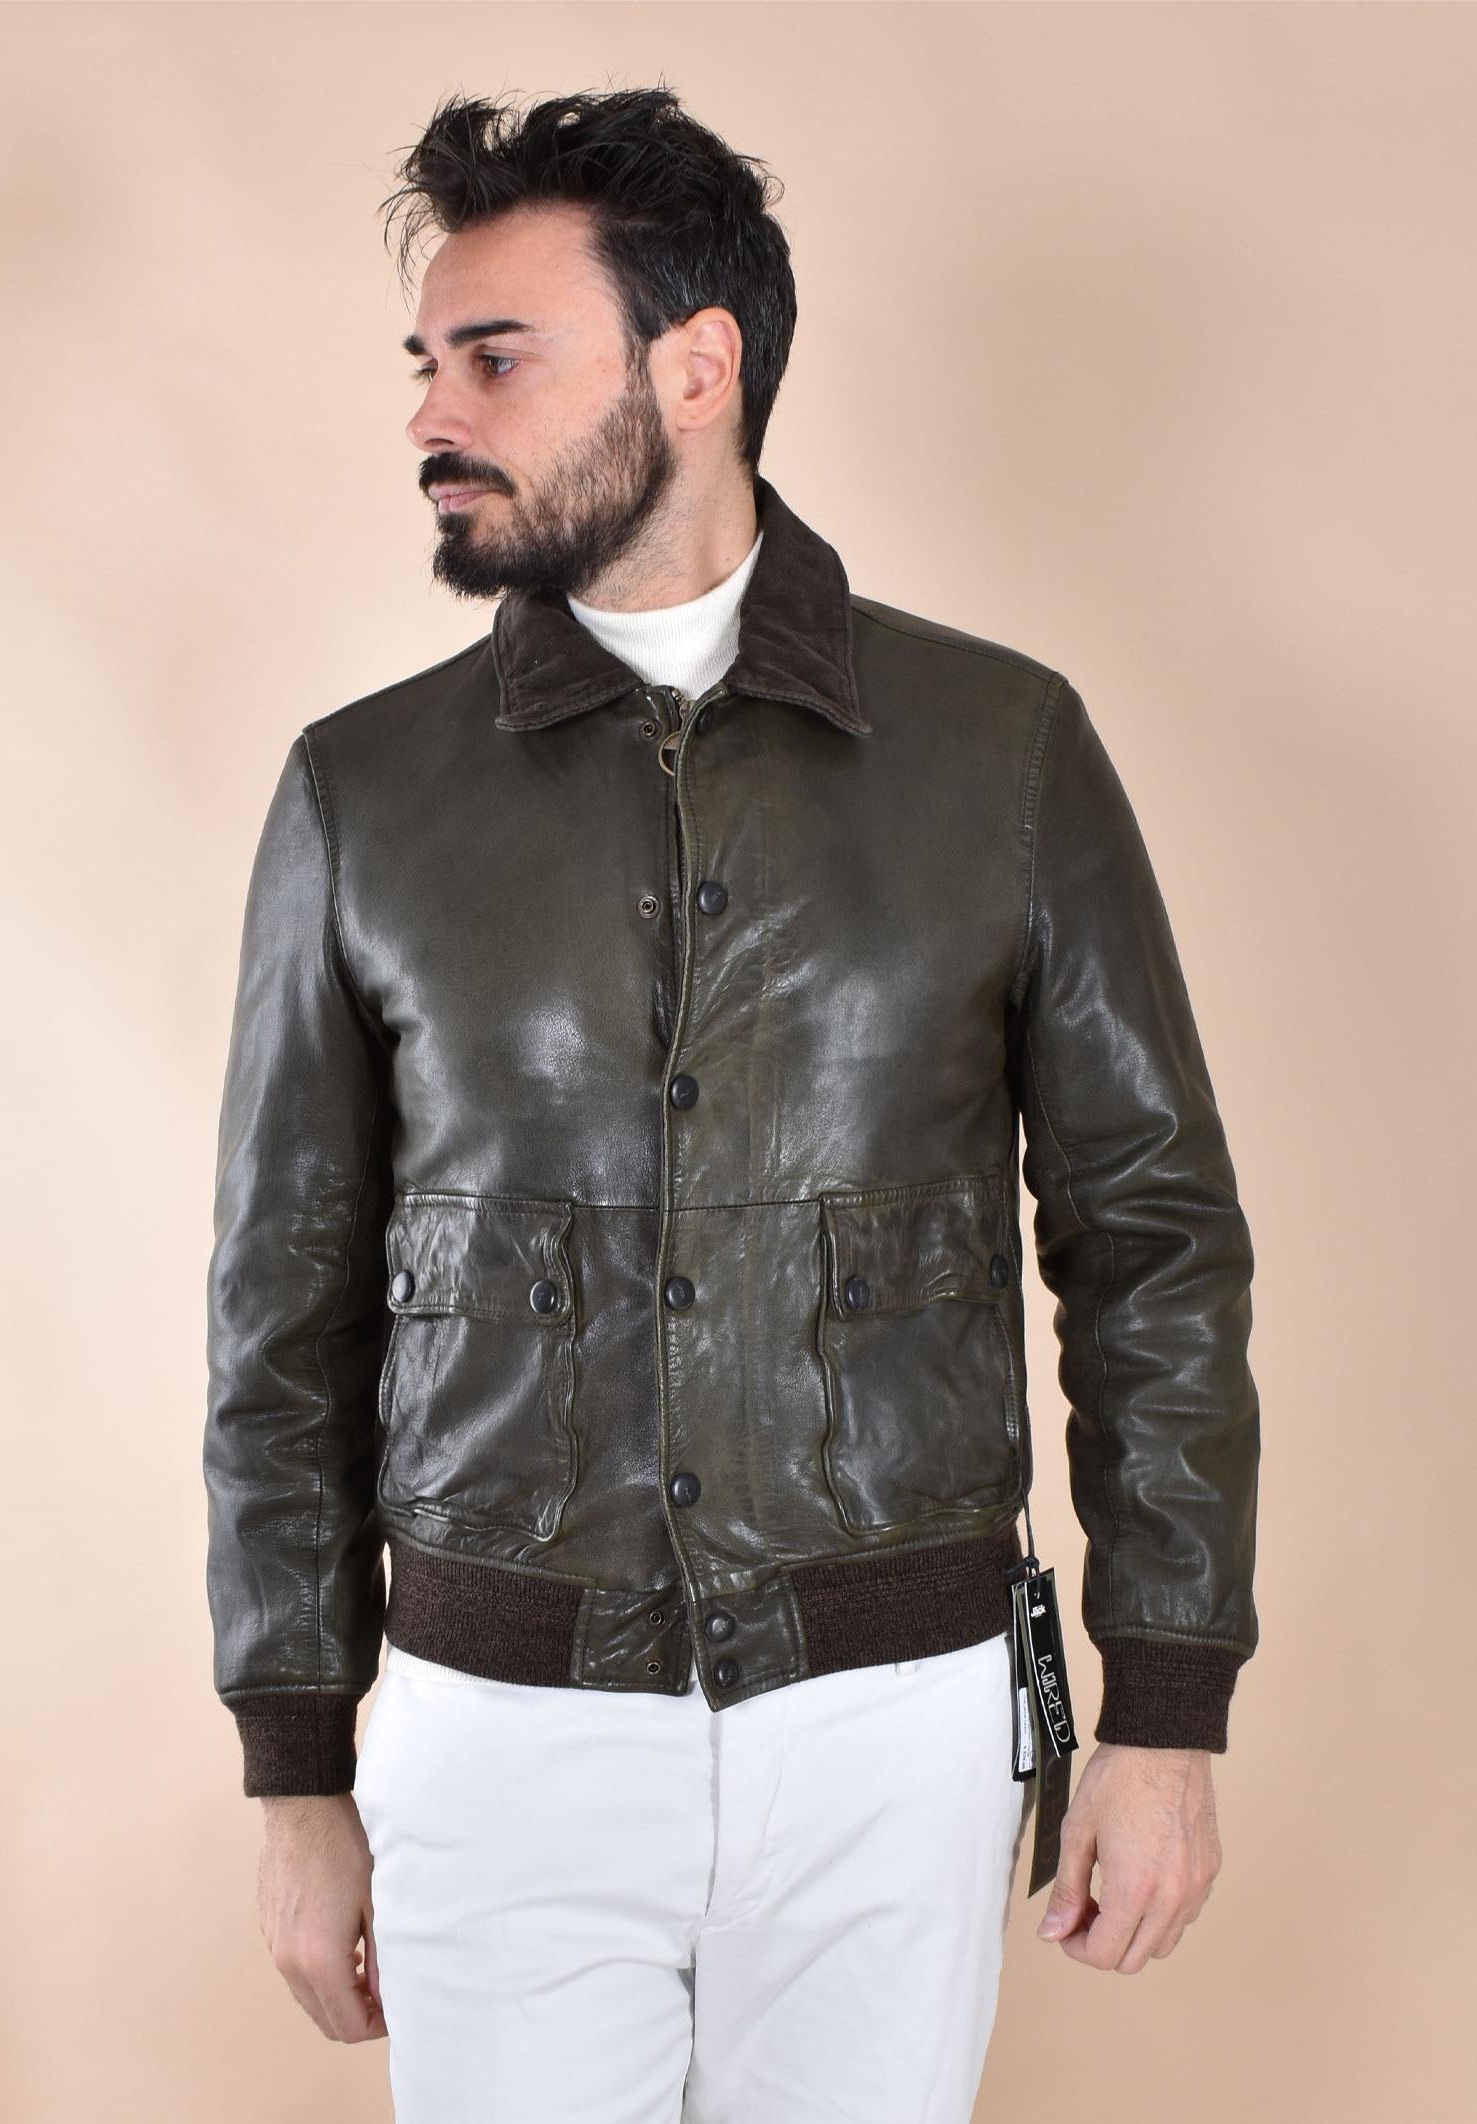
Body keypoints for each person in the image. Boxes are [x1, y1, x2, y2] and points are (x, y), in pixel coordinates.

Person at [202, 85, 1259, 2124]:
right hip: (497, 1731)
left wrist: (1166, 1703)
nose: (433, 413)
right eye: (426, 361)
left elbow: (1151, 1244)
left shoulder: (1000, 751)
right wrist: (295, 1767)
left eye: (495, 358)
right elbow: (282, 1306)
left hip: (895, 1725)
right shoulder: (363, 793)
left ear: (696, 368)